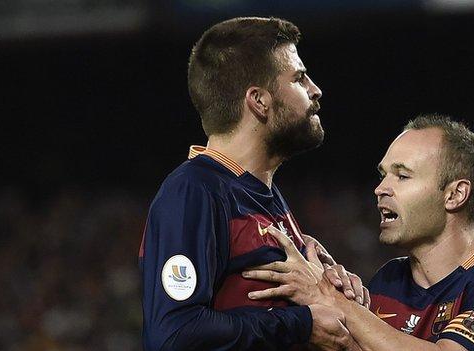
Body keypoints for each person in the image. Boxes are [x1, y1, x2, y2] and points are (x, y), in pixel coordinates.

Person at [138, 17, 366, 351]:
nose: (315, 90)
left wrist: (333, 296)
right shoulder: (193, 192)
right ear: (258, 100)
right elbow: (173, 334)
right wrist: (302, 324)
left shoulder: (265, 196)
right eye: (300, 78)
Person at [244, 114, 474, 351]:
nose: (380, 188)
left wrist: (337, 303)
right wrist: (328, 296)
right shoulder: (388, 281)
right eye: (383, 174)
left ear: (455, 195)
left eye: (402, 175)